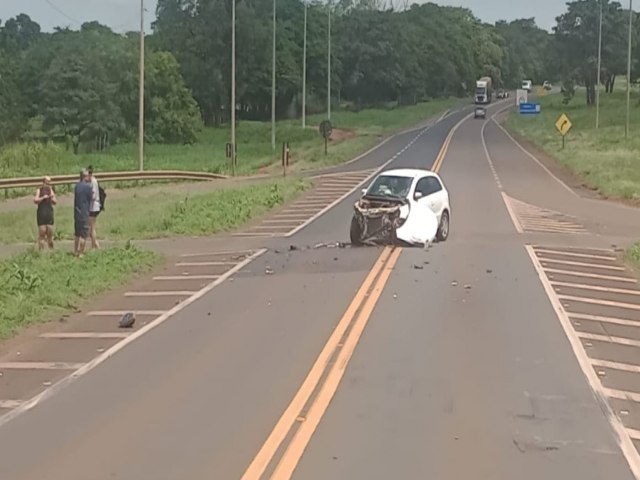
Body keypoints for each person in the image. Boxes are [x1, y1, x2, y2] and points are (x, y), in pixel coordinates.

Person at [73, 169, 93, 258]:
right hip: (84, 212)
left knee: (77, 233)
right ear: (85, 176)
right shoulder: (88, 187)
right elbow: (91, 197)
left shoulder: (77, 186)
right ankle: (81, 252)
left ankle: (75, 250)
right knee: (84, 235)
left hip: (77, 212)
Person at [33, 176, 56, 250]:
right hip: (41, 213)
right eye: (47, 182)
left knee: (50, 233)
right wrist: (43, 197)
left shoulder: (51, 190)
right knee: (42, 233)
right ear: (43, 182)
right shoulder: (39, 190)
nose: (48, 184)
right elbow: (35, 200)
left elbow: (55, 202)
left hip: (49, 213)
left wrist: (51, 198)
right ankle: (41, 252)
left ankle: (51, 251)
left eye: (49, 182)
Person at [87, 165, 101, 249]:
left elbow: (94, 195)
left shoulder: (93, 182)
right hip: (93, 206)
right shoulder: (92, 181)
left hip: (93, 207)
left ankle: (94, 246)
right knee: (90, 227)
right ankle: (95, 244)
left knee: (92, 227)